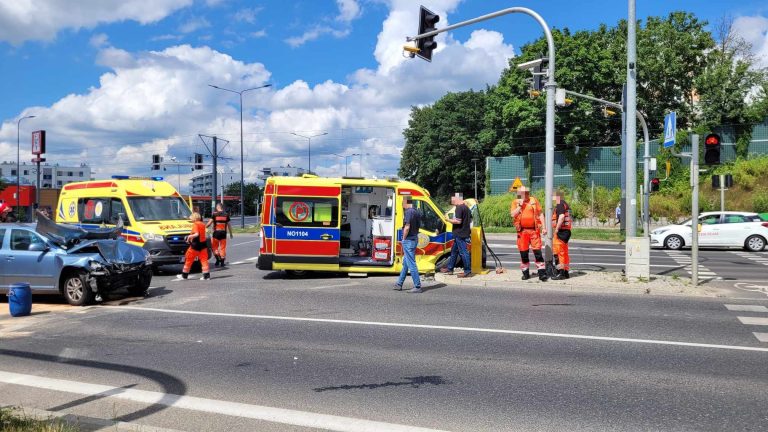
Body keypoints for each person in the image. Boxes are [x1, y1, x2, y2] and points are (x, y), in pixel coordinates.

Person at [510, 186, 548, 281]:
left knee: (538, 253)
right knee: (524, 253)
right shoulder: (515, 202)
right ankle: (525, 273)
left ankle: (542, 274)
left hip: (534, 231)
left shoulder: (533, 200)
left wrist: (544, 227)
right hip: (522, 232)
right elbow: (513, 214)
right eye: (523, 193)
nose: (526, 194)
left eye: (526, 193)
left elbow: (540, 214)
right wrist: (519, 206)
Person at [394, 196, 422, 293]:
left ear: (406, 202)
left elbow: (407, 227)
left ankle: (417, 286)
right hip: (414, 238)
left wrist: (403, 239)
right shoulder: (416, 211)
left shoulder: (409, 212)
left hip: (409, 240)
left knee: (411, 264)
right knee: (406, 263)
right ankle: (399, 284)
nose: (402, 205)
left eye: (402, 203)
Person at [440, 193, 472, 278]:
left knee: (463, 252)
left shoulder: (459, 208)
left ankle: (467, 271)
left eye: (453, 199)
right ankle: (450, 269)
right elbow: (469, 219)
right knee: (454, 251)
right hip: (463, 233)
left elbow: (458, 221)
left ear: (457, 198)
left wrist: (448, 219)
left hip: (460, 234)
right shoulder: (466, 207)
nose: (452, 201)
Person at [177, 212, 210, 280]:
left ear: (194, 218)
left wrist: (189, 236)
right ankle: (206, 276)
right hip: (203, 244)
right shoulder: (202, 224)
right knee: (204, 260)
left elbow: (197, 234)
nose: (190, 219)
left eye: (191, 218)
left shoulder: (195, 224)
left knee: (189, 259)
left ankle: (184, 275)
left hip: (195, 245)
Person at [551, 190, 572, 280]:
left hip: (561, 232)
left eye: (553, 196)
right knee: (564, 253)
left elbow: (562, 216)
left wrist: (556, 229)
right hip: (566, 231)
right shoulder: (565, 204)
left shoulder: (559, 204)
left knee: (558, 253)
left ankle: (561, 273)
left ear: (557, 197)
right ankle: (566, 272)